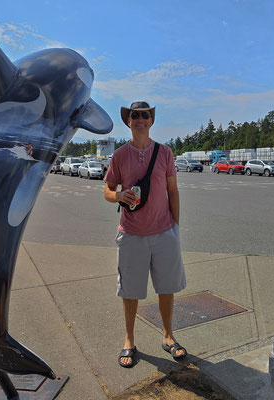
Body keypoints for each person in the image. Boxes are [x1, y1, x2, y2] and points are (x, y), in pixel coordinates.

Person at [103, 101, 187, 368]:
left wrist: (175, 226)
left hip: (164, 232)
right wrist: (118, 195)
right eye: (135, 116)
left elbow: (173, 191)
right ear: (128, 121)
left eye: (145, 115)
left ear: (151, 120)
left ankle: (168, 336)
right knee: (131, 290)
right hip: (131, 233)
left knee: (166, 287)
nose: (140, 119)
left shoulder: (164, 153)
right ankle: (129, 341)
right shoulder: (119, 156)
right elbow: (107, 190)